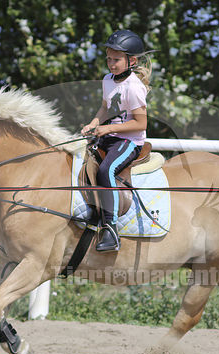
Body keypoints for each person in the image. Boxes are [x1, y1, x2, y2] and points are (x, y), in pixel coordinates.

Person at [81, 29, 152, 252]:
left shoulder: (133, 87)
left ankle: (111, 230)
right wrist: (93, 123)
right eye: (109, 59)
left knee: (106, 171)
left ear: (131, 61)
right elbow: (105, 108)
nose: (111, 64)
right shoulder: (108, 80)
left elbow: (141, 124)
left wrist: (107, 128)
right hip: (109, 135)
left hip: (129, 141)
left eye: (116, 60)